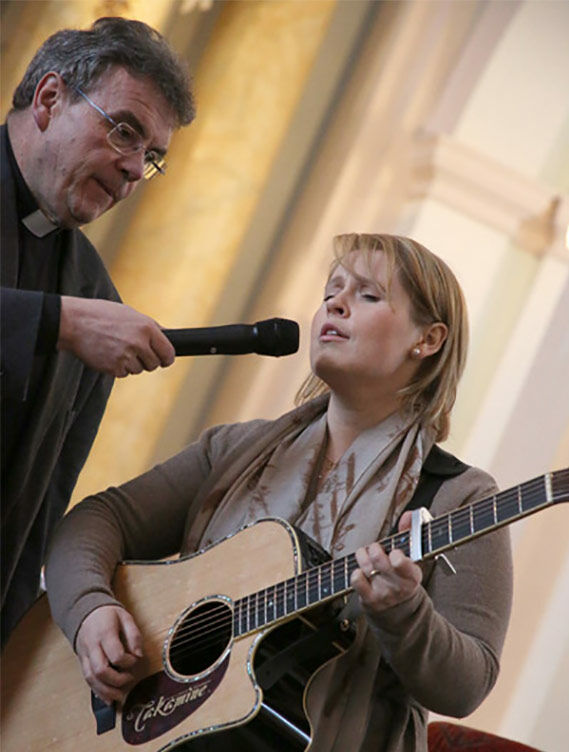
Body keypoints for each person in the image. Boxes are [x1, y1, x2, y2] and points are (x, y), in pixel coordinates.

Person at [45, 233, 513, 752]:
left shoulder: (461, 497)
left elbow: (468, 684)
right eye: (331, 291)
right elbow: (93, 522)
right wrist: (89, 611)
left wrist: (404, 611)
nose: (334, 303)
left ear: (427, 339)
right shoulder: (236, 450)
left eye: (368, 295)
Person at [1, 16, 195, 644]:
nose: (137, 168)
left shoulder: (95, 296)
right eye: (124, 130)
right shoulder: (83, 315)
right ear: (51, 99)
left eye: (152, 156)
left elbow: (38, 511)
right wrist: (55, 323)